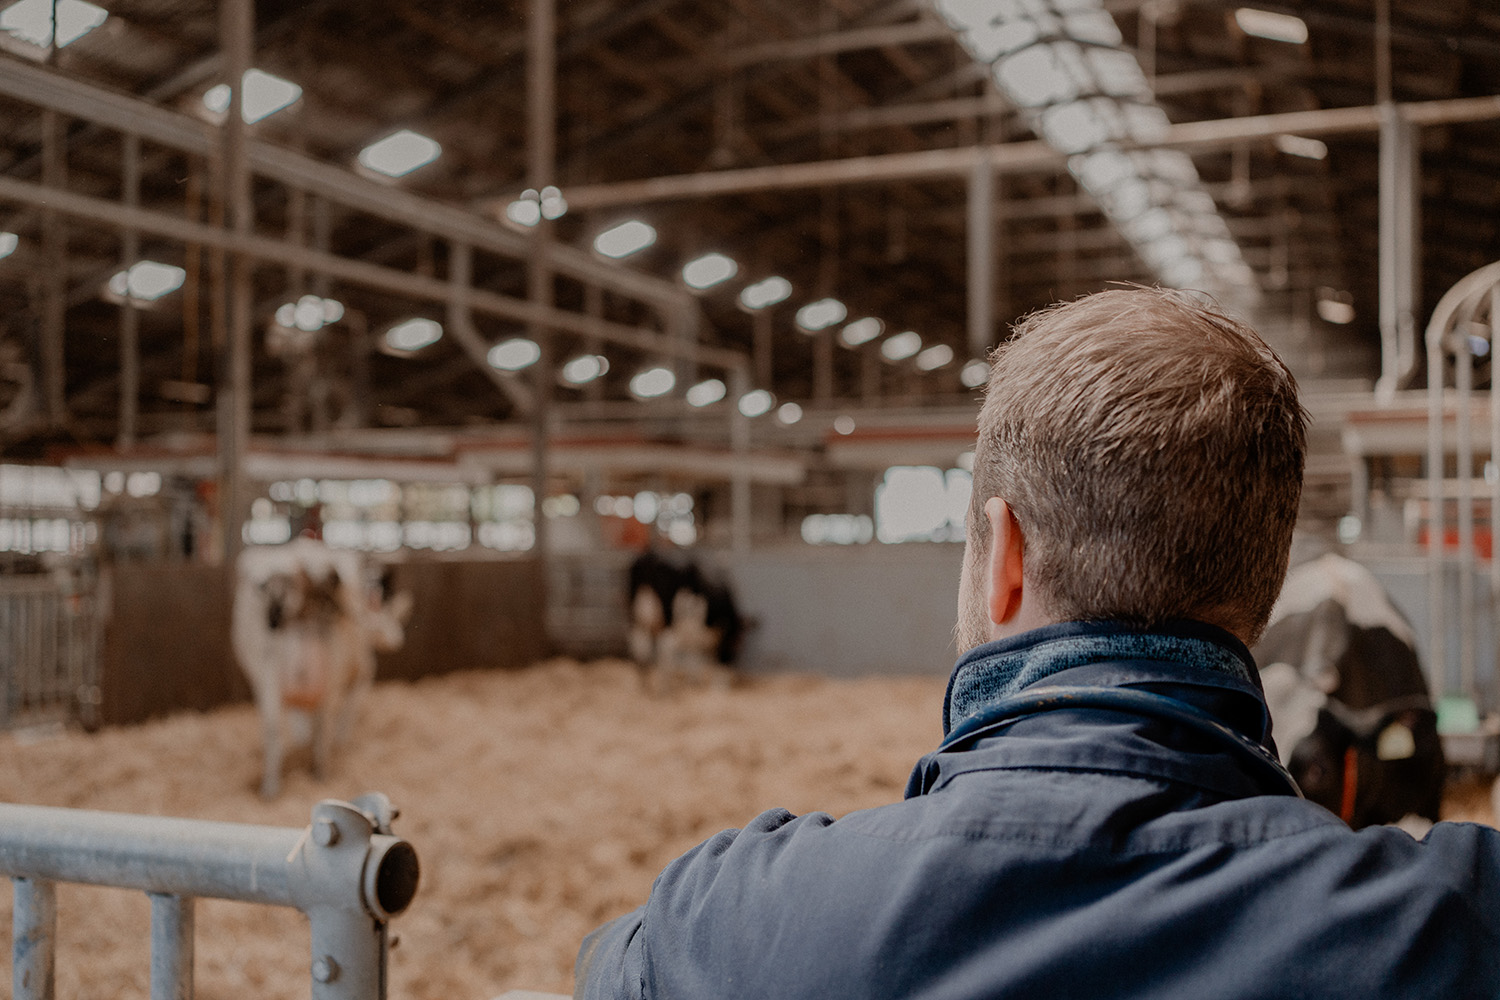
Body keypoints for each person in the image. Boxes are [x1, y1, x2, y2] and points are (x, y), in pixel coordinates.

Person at [574, 288, 1500, 999]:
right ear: (1265, 582)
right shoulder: (1450, 929)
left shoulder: (737, 919)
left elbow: (600, 970)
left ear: (1002, 556)